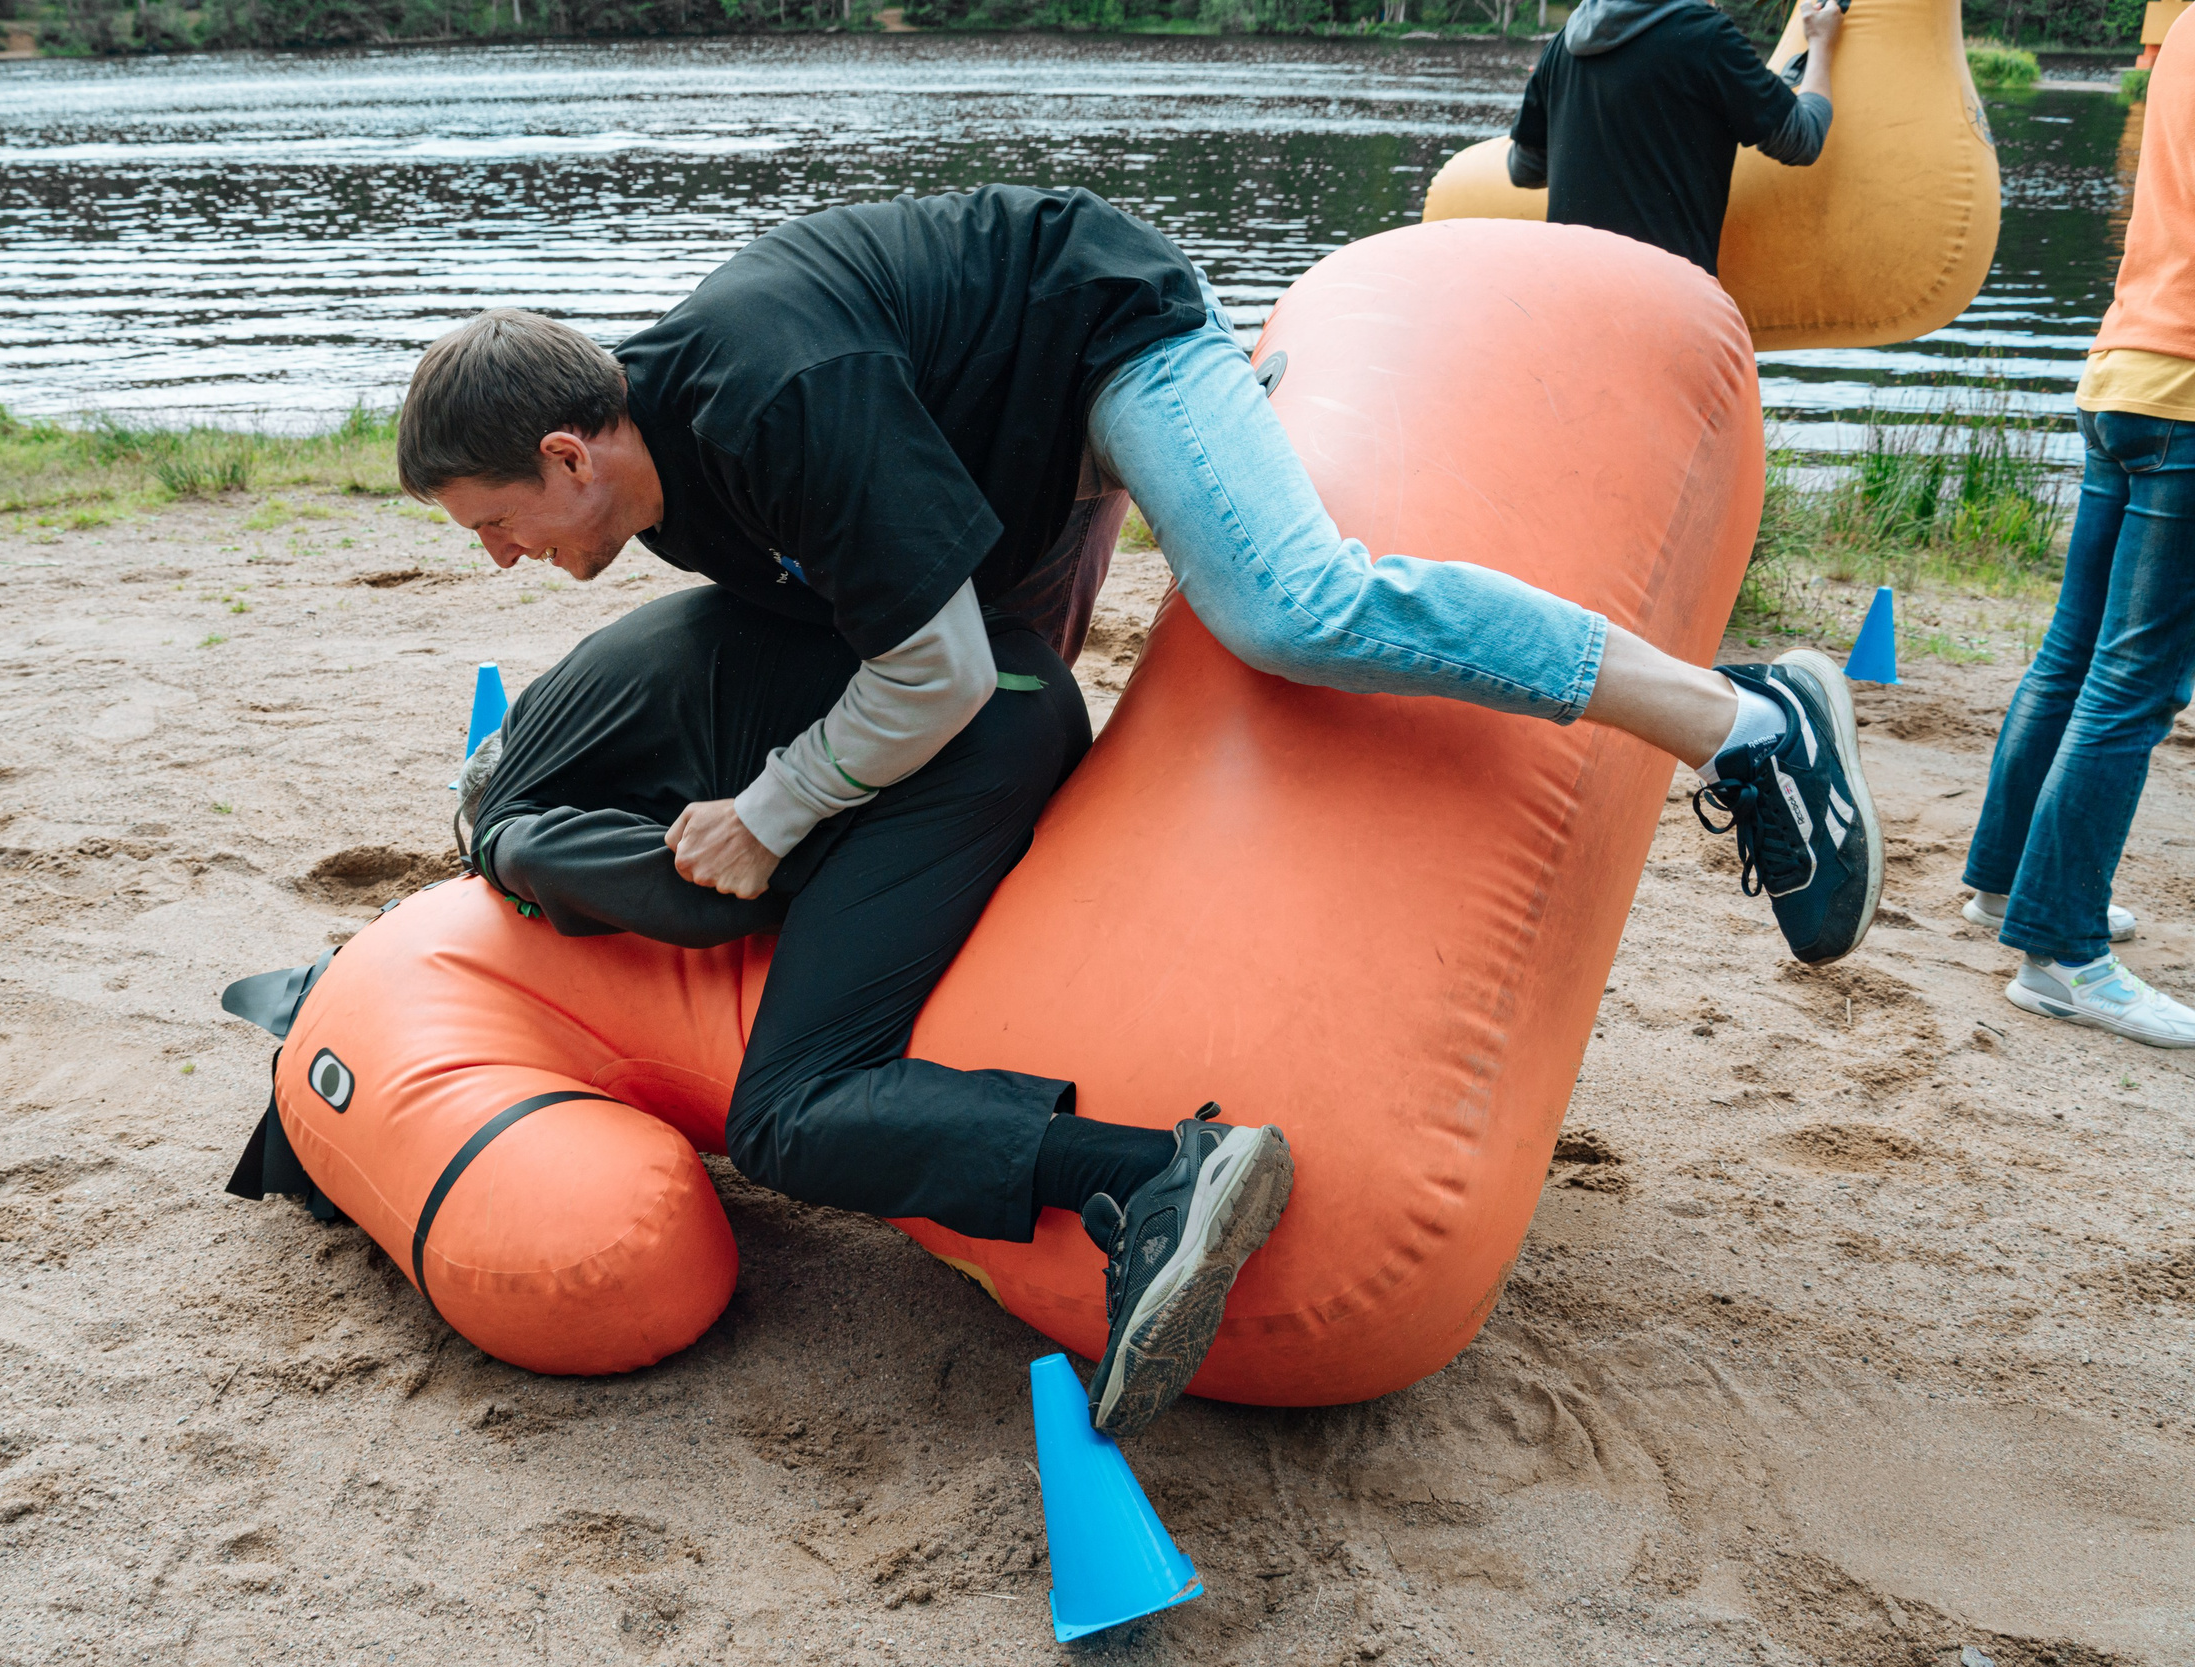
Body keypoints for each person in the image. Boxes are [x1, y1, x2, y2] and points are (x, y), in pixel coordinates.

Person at [395, 184, 1881, 1434]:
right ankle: (1142, 1177)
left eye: (495, 524)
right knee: (1023, 746)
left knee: (1291, 606)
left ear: (566, 456)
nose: (502, 561)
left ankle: (1744, 721)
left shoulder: (766, 395)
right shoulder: (677, 494)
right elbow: (937, 628)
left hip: (1102, 342)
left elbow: (936, 675)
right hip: (996, 468)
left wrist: (772, 813)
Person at [1961, 13, 2195, 1048]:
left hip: (2121, 368)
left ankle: (2011, 884)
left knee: (2074, 658)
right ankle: (2059, 955)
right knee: (2131, 686)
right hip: (2185, 392)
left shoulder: (2183, 26)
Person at [1507, 0, 1845, 277]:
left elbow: (1524, 169)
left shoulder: (1561, 47)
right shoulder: (1706, 37)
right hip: (1669, 303)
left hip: (1571, 301)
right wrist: (1820, 44)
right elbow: (1803, 138)